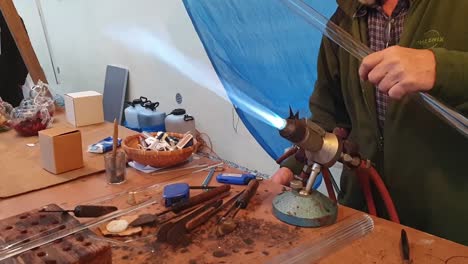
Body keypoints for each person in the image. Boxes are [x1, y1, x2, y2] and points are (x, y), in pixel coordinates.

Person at [272, 0, 468, 245]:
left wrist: (441, 68)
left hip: (449, 226)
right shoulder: (342, 22)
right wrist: (292, 165)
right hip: (364, 215)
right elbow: (329, 113)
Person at [0, 11, 28, 106]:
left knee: (14, 116)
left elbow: (24, 51)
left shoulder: (11, 17)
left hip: (10, 84)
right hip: (11, 82)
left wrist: (20, 79)